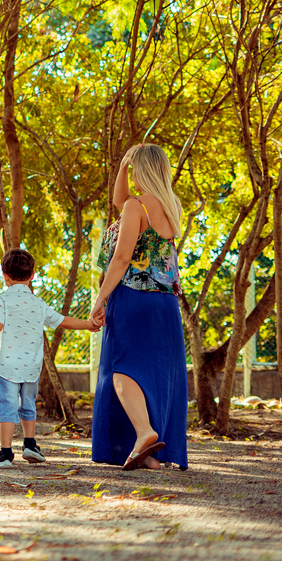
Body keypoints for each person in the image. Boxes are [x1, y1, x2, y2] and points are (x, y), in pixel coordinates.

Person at [90, 143, 189, 471]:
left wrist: (100, 297)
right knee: (155, 374)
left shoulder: (137, 207)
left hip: (133, 299)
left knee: (121, 370)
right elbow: (120, 202)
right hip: (165, 305)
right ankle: (148, 454)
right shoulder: (171, 205)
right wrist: (121, 168)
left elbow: (121, 259)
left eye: (132, 170)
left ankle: (145, 432)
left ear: (141, 171)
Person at [0, 248, 101, 468]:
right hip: (31, 366)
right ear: (32, 275)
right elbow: (63, 321)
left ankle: (5, 453)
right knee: (28, 405)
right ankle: (30, 444)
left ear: (5, 276)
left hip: (7, 366)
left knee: (8, 407)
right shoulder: (39, 304)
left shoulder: (0, 300)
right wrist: (89, 325)